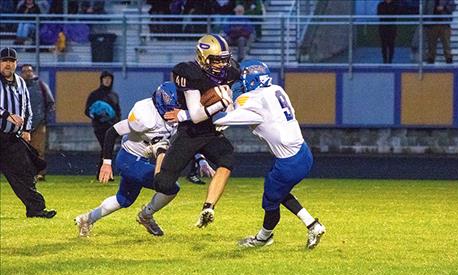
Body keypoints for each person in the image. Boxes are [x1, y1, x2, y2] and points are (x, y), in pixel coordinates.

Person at [74, 82, 215, 237]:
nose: (175, 112)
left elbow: (186, 140)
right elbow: (111, 132)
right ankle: (146, 215)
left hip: (143, 160)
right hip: (130, 159)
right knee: (170, 187)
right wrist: (106, 163)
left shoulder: (178, 115)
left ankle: (86, 219)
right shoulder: (145, 115)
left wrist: (201, 159)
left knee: (124, 199)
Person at [212, 60, 325, 249]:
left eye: (245, 79)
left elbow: (220, 120)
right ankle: (313, 225)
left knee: (270, 203)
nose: (243, 83)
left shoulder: (254, 99)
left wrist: (225, 101)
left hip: (288, 162)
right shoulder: (277, 89)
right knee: (279, 193)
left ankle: (263, 238)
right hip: (303, 152)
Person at [155, 34, 240, 229]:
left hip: (210, 131)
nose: (221, 65)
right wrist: (220, 104)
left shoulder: (231, 71)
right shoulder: (189, 73)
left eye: (224, 60)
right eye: (216, 60)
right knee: (164, 185)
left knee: (227, 159)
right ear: (202, 57)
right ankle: (160, 150)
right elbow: (196, 115)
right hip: (190, 132)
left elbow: (228, 98)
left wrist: (228, 108)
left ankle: (208, 208)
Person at [0, 47, 56, 219]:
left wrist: (26, 129)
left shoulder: (20, 82)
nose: (8, 64)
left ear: (16, 63)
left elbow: (27, 109)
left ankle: (36, 209)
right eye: (5, 60)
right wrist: (7, 115)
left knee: (25, 173)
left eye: (12, 61)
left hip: (11, 139)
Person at [20, 64, 55, 181]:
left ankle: (40, 173)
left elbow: (50, 103)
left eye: (29, 71)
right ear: (21, 74)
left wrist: (46, 118)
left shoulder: (41, 86)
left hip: (39, 123)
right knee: (23, 150)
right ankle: (27, 173)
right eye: (25, 71)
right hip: (21, 125)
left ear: (33, 72)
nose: (27, 73)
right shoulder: (17, 87)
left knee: (39, 149)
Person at [84, 70, 121, 180]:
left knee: (107, 149)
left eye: (109, 79)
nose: (107, 81)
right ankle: (104, 174)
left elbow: (117, 111)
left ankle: (104, 174)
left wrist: (117, 123)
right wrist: (97, 117)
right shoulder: (94, 95)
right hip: (99, 127)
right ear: (101, 80)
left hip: (112, 127)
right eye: (105, 78)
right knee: (105, 147)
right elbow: (87, 111)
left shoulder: (114, 95)